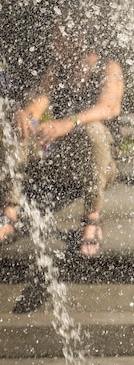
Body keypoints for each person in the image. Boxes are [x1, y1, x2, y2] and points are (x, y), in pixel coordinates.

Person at [1, 13, 124, 256]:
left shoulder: (109, 67)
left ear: (78, 38)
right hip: (63, 161)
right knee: (15, 127)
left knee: (92, 129)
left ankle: (92, 219)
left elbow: (109, 107)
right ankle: (9, 212)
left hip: (99, 165)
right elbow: (38, 105)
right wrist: (25, 116)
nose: (52, 41)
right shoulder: (58, 70)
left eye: (58, 36)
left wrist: (69, 122)